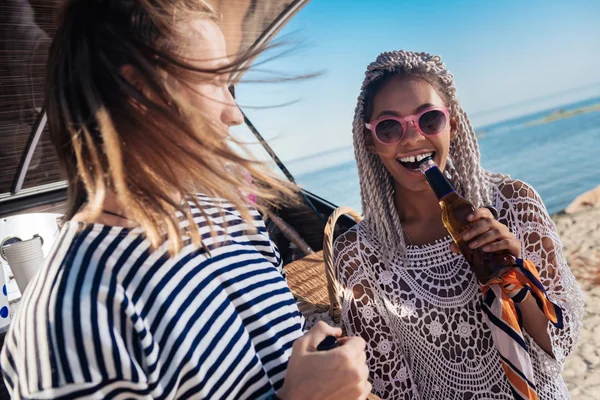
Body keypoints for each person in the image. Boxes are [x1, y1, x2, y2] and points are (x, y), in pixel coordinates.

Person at [0, 1, 372, 399]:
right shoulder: (69, 322)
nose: (234, 115)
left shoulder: (231, 215)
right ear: (140, 91)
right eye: (216, 83)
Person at [333, 50, 584, 399]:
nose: (412, 139)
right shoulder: (358, 253)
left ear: (452, 124)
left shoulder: (514, 203)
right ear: (371, 142)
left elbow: (561, 344)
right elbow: (393, 389)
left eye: (429, 119)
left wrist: (516, 274)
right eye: (390, 127)